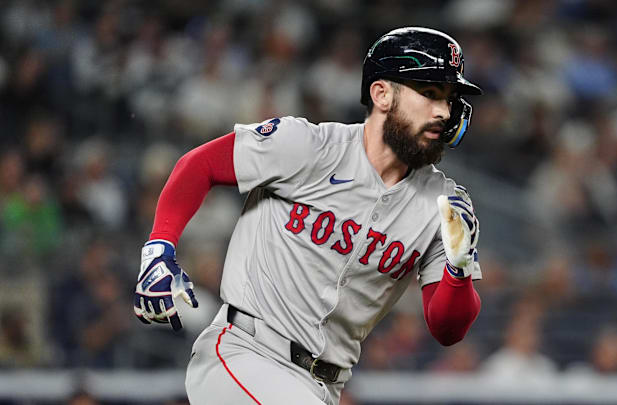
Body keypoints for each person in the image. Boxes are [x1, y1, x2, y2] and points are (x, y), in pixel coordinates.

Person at [133, 27, 484, 405]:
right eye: (430, 93)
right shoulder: (309, 147)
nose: (443, 111)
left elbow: (447, 328)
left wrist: (458, 267)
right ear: (381, 93)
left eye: (449, 99)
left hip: (324, 386)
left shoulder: (444, 205)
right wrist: (158, 250)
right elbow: (199, 165)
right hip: (245, 353)